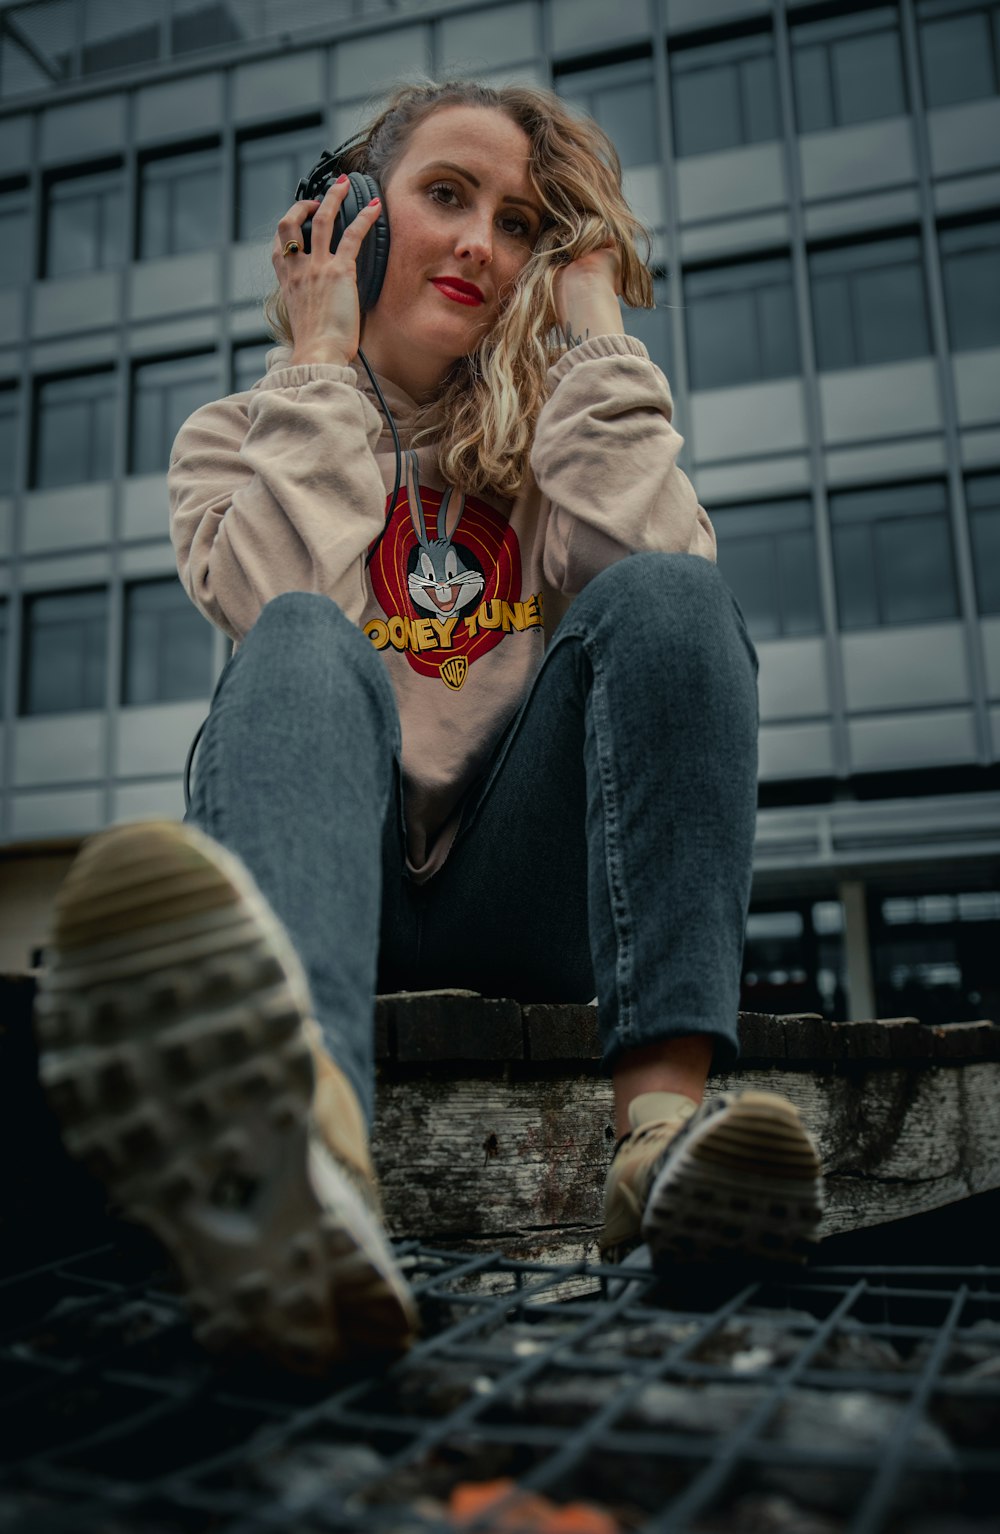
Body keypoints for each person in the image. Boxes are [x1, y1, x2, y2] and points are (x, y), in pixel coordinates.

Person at [33, 79, 823, 1374]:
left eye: (518, 224)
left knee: (673, 592)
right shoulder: (236, 435)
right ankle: (317, 1159)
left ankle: (659, 1140)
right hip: (334, 890)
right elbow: (281, 609)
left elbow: (669, 615)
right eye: (447, 195)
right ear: (351, 218)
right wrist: (320, 368)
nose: (480, 243)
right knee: (297, 638)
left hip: (530, 894)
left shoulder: (552, 439)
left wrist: (597, 340)